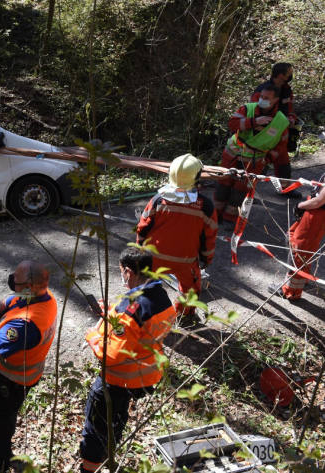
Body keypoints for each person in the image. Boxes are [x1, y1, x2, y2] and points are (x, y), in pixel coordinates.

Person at [79, 248, 176, 473]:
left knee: (97, 428)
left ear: (129, 272)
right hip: (143, 376)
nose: (121, 276)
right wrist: (111, 314)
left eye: (121, 271)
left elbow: (112, 355)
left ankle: (90, 467)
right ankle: (108, 456)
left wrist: (93, 336)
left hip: (118, 381)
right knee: (115, 422)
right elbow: (138, 330)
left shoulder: (131, 308)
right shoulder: (161, 297)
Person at [0, 261, 58, 472]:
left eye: (16, 280)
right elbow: (4, 302)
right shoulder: (42, 298)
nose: (12, 281)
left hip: (7, 382)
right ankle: (3, 451)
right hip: (13, 379)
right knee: (5, 418)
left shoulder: (26, 323)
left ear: (29, 287)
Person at [136, 154, 218, 316]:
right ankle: (184, 315)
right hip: (185, 261)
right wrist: (206, 259)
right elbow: (209, 237)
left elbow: (142, 227)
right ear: (197, 177)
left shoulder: (158, 199)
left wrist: (140, 251)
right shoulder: (205, 206)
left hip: (154, 257)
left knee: (144, 286)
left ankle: (144, 314)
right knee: (191, 290)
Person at [214, 82, 290, 222]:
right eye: (261, 96)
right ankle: (214, 216)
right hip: (232, 155)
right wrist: (254, 122)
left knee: (241, 190)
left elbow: (280, 146)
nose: (262, 100)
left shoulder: (281, 121)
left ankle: (230, 217)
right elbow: (232, 124)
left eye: (267, 98)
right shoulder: (247, 109)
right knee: (223, 185)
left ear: (275, 100)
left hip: (254, 161)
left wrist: (267, 160)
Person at [274, 174, 325, 300]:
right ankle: (303, 277)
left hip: (317, 213)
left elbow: (319, 201)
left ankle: (291, 291)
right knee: (294, 239)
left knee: (300, 249)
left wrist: (300, 206)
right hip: (314, 210)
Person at [251, 62, 300, 194]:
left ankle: (285, 189)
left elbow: (289, 109)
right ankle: (245, 193)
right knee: (258, 164)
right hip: (263, 134)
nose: (291, 75)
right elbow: (253, 112)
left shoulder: (287, 90)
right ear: (280, 75)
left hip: (280, 133)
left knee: (283, 161)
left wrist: (291, 118)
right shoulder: (262, 90)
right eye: (289, 73)